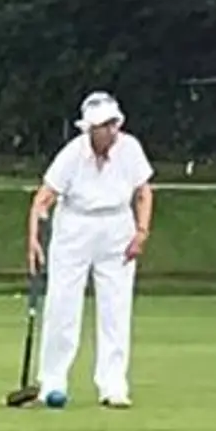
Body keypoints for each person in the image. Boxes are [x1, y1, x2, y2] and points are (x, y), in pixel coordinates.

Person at [26, 91, 155, 409]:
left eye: (114, 123)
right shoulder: (72, 155)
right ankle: (52, 382)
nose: (111, 130)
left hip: (117, 228)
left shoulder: (130, 149)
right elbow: (43, 198)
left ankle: (113, 385)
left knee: (116, 307)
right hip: (75, 228)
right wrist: (33, 239)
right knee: (62, 306)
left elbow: (143, 192)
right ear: (89, 129)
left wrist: (141, 231)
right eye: (104, 125)